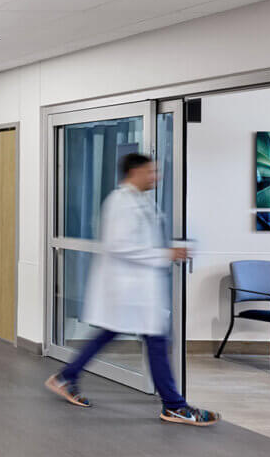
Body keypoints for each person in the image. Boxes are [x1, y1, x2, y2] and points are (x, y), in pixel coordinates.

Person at [45, 152, 218, 426]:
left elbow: (145, 240)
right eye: (151, 172)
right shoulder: (120, 203)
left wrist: (168, 251)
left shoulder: (141, 201)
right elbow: (120, 246)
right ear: (134, 172)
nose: (155, 177)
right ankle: (174, 405)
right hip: (127, 288)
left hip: (139, 289)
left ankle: (67, 377)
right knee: (154, 342)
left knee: (117, 336)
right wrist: (165, 254)